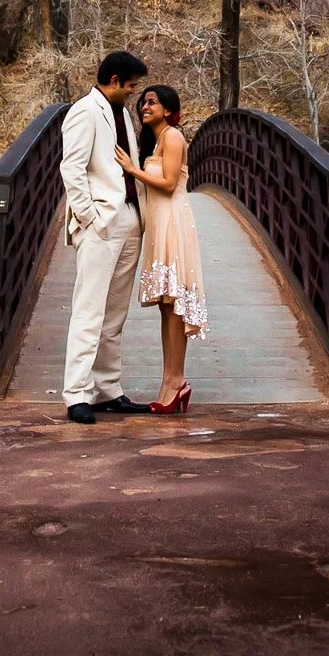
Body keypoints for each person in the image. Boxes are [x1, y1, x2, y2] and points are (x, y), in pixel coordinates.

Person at [58, 49, 152, 424]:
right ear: (114, 81)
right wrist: (90, 217)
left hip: (130, 219)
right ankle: (76, 394)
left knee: (114, 314)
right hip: (102, 224)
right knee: (89, 310)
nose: (133, 94)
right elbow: (72, 168)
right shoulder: (83, 111)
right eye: (130, 88)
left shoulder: (121, 114)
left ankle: (107, 389)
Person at [117, 83, 207, 413]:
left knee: (174, 307)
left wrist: (133, 170)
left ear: (168, 109)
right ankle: (171, 379)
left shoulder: (172, 136)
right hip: (158, 226)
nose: (145, 106)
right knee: (165, 308)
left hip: (173, 224)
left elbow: (169, 184)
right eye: (143, 102)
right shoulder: (155, 141)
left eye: (152, 102)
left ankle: (176, 380)